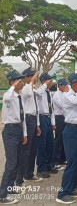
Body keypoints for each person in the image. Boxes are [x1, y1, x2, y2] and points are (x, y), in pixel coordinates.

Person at [56, 73, 77, 204]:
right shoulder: (67, 96)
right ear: (74, 84)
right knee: (72, 162)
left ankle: (71, 188)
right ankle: (63, 192)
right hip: (71, 130)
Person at [0, 70, 27, 204]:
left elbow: (23, 117)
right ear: (12, 82)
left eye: (21, 80)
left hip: (18, 130)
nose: (21, 83)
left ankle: (10, 189)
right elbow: (6, 98)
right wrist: (12, 86)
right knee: (10, 164)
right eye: (18, 81)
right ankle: (2, 195)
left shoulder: (18, 97)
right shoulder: (8, 95)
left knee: (16, 163)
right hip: (10, 131)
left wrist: (25, 133)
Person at [16, 68, 44, 187]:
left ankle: (29, 174)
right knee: (25, 150)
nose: (34, 78)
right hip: (27, 120)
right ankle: (19, 179)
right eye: (32, 76)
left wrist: (37, 125)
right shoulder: (26, 89)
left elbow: (36, 108)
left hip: (33, 119)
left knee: (33, 149)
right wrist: (33, 79)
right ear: (27, 77)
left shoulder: (33, 89)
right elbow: (28, 92)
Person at [36, 73, 56, 177]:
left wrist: (53, 123)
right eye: (49, 81)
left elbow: (51, 108)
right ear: (44, 81)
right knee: (42, 145)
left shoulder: (48, 93)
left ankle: (48, 165)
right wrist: (44, 84)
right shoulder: (40, 91)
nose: (51, 83)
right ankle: (41, 168)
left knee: (50, 144)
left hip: (48, 118)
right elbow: (38, 92)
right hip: (42, 118)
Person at [52, 78, 68, 170]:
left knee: (63, 139)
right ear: (60, 86)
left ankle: (62, 158)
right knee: (58, 139)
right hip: (59, 118)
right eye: (64, 85)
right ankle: (56, 161)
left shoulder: (63, 94)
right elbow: (64, 105)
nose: (66, 87)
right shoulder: (57, 95)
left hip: (64, 118)